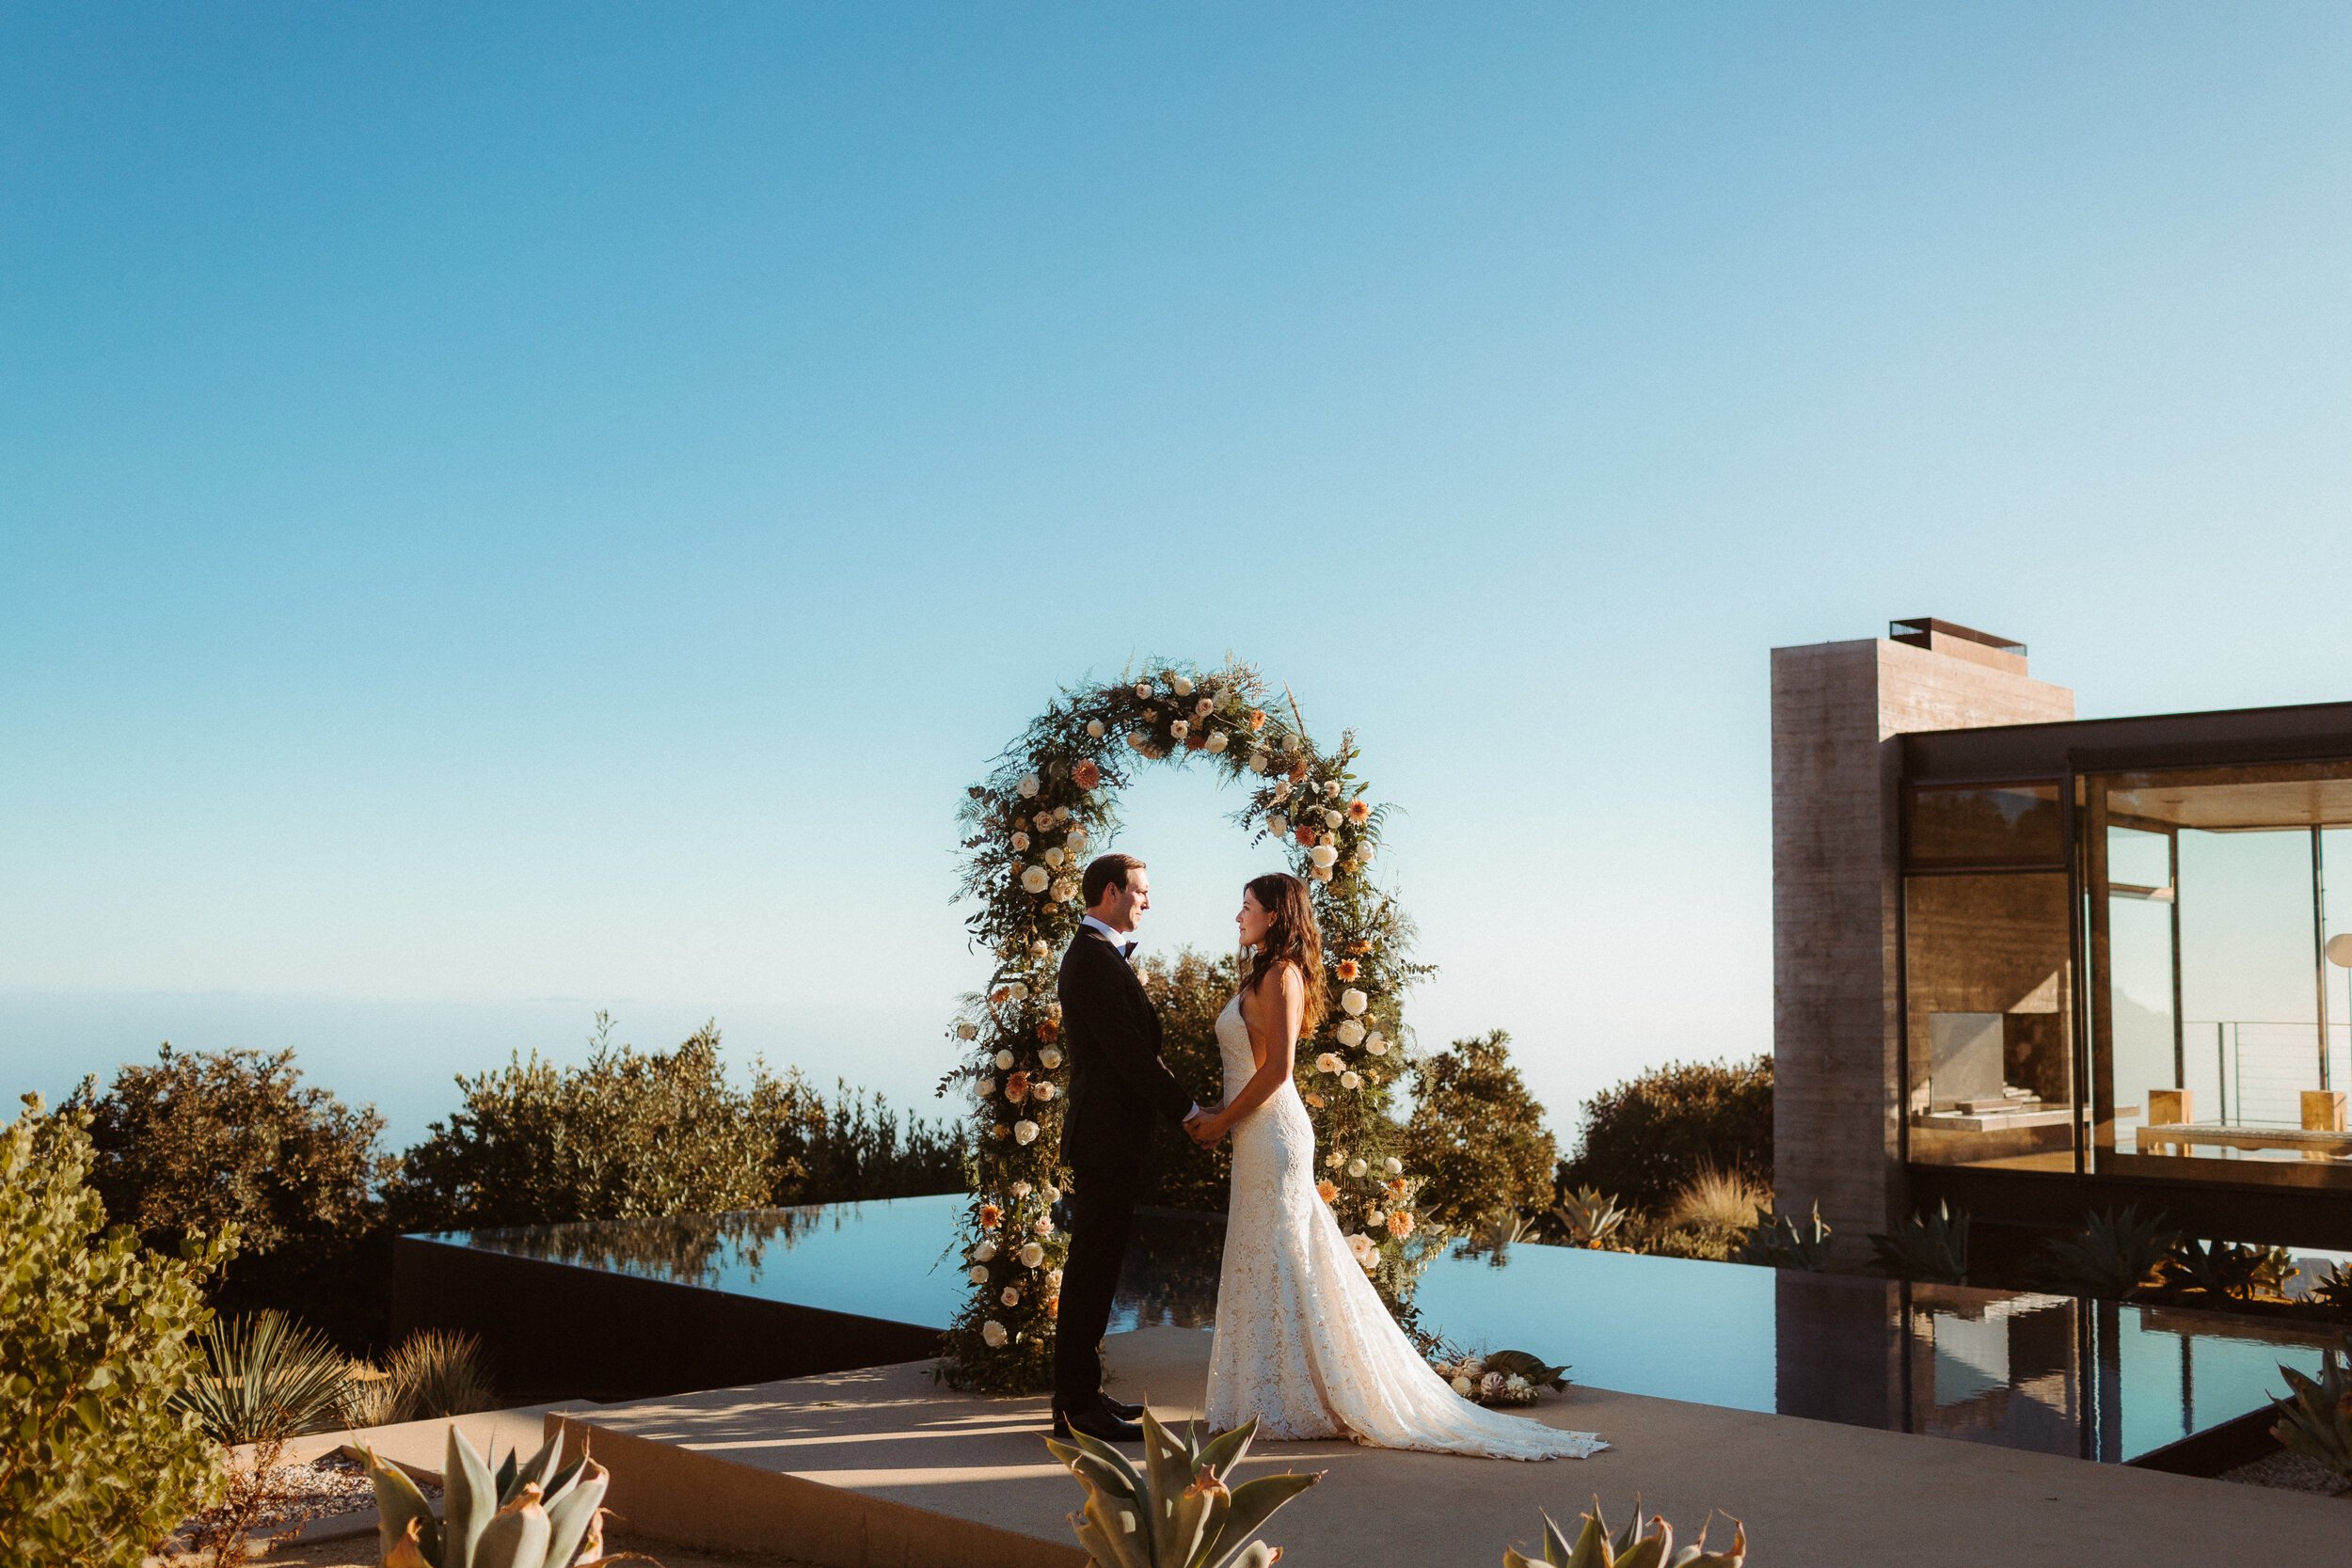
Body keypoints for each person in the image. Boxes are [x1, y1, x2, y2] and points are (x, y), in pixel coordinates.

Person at [1188, 872, 1607, 1460]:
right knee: (1260, 1253)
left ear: (1276, 916)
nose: (1238, 917)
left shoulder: (1283, 975)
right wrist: (1219, 1112)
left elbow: (1279, 1070)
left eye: (1248, 907)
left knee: (1284, 1257)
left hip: (1273, 1135)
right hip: (1250, 1134)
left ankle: (1301, 1396)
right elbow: (1248, 1064)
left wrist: (1225, 1118)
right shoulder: (1260, 973)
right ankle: (1262, 1394)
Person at [1052, 851, 1216, 1443]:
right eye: (1141, 891)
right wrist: (1191, 1113)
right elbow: (1129, 1057)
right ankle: (1074, 1407)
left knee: (1097, 1271)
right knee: (1091, 1271)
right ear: (1112, 892)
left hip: (1111, 1137)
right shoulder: (1093, 961)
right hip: (1104, 1139)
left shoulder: (1101, 957)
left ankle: (1083, 1393)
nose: (1149, 901)